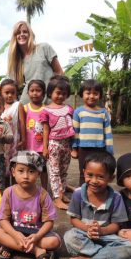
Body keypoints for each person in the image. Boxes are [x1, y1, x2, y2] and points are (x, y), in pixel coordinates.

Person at [63, 151, 131, 259]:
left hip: (107, 238)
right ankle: (110, 258)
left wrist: (101, 231)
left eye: (100, 177)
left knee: (130, 248)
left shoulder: (116, 197)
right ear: (83, 172)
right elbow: (74, 220)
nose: (94, 181)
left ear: (111, 178)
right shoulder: (78, 193)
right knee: (69, 236)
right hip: (84, 236)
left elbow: (117, 225)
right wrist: (88, 229)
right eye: (89, 175)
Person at [0, 151, 61, 259]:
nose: (26, 176)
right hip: (15, 231)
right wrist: (15, 235)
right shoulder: (8, 192)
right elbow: (3, 219)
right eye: (21, 171)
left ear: (38, 174)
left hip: (36, 233)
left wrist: (37, 236)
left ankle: (13, 246)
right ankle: (37, 251)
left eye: (31, 171)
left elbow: (49, 222)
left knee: (55, 242)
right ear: (13, 172)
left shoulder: (43, 195)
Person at [39, 76, 75, 210]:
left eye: (64, 93)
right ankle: (56, 198)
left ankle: (62, 193)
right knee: (54, 171)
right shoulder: (46, 110)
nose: (61, 96)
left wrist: (73, 146)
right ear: (50, 93)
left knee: (64, 171)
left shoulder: (69, 109)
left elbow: (72, 127)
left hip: (66, 144)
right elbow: (45, 130)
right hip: (54, 144)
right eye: (58, 93)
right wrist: (45, 147)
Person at [7, 21, 63, 104]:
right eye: (18, 33)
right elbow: (10, 85)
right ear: (15, 37)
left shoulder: (43, 48)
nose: (21, 34)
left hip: (49, 101)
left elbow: (59, 73)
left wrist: (57, 94)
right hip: (28, 104)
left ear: (30, 34)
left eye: (25, 31)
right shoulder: (16, 61)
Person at [71, 79, 114, 186]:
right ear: (82, 94)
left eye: (95, 93)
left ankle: (99, 194)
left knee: (100, 172)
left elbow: (108, 133)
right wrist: (74, 149)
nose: (91, 96)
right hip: (83, 149)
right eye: (88, 93)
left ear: (99, 95)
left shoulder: (103, 112)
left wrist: (109, 151)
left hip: (100, 149)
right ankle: (83, 196)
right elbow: (75, 132)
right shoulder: (78, 112)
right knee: (84, 173)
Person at [0, 79, 26, 185]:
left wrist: (23, 139)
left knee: (15, 168)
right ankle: (7, 192)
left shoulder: (18, 105)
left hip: (15, 143)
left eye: (12, 93)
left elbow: (22, 123)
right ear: (1, 92)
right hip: (2, 144)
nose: (9, 95)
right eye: (6, 93)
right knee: (4, 170)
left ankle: (16, 192)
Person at [24, 79, 47, 189]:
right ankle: (30, 189)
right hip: (28, 146)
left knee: (42, 169)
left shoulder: (46, 109)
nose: (35, 93)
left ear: (43, 93)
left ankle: (44, 190)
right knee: (29, 169)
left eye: (38, 90)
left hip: (41, 147)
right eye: (32, 90)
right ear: (27, 93)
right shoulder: (24, 108)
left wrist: (46, 147)